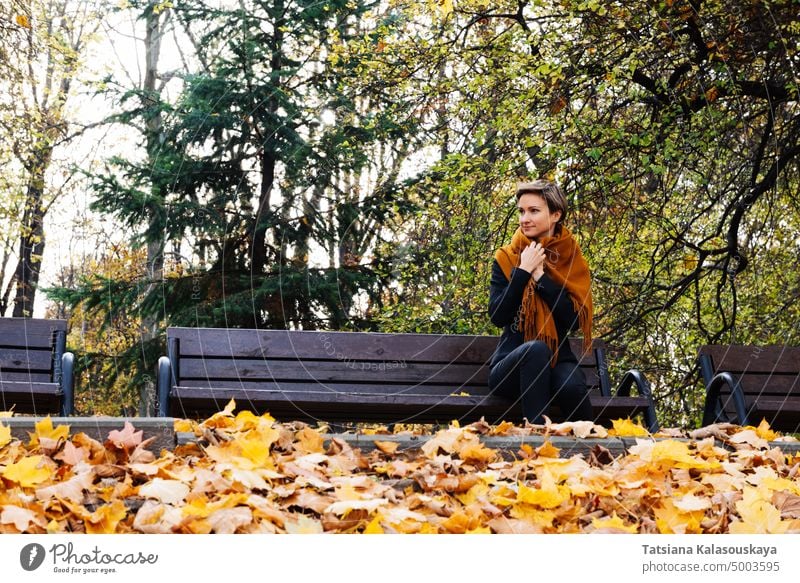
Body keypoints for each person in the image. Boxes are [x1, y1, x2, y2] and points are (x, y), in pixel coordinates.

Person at [488, 178, 593, 424]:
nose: (525, 218)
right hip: (510, 365)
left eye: (534, 211)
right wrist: (523, 271)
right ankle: (536, 443)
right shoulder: (506, 258)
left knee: (571, 387)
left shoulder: (572, 260)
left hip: (558, 359)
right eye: (521, 211)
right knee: (535, 349)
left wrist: (541, 277)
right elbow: (498, 316)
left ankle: (593, 452)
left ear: (556, 214)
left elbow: (574, 320)